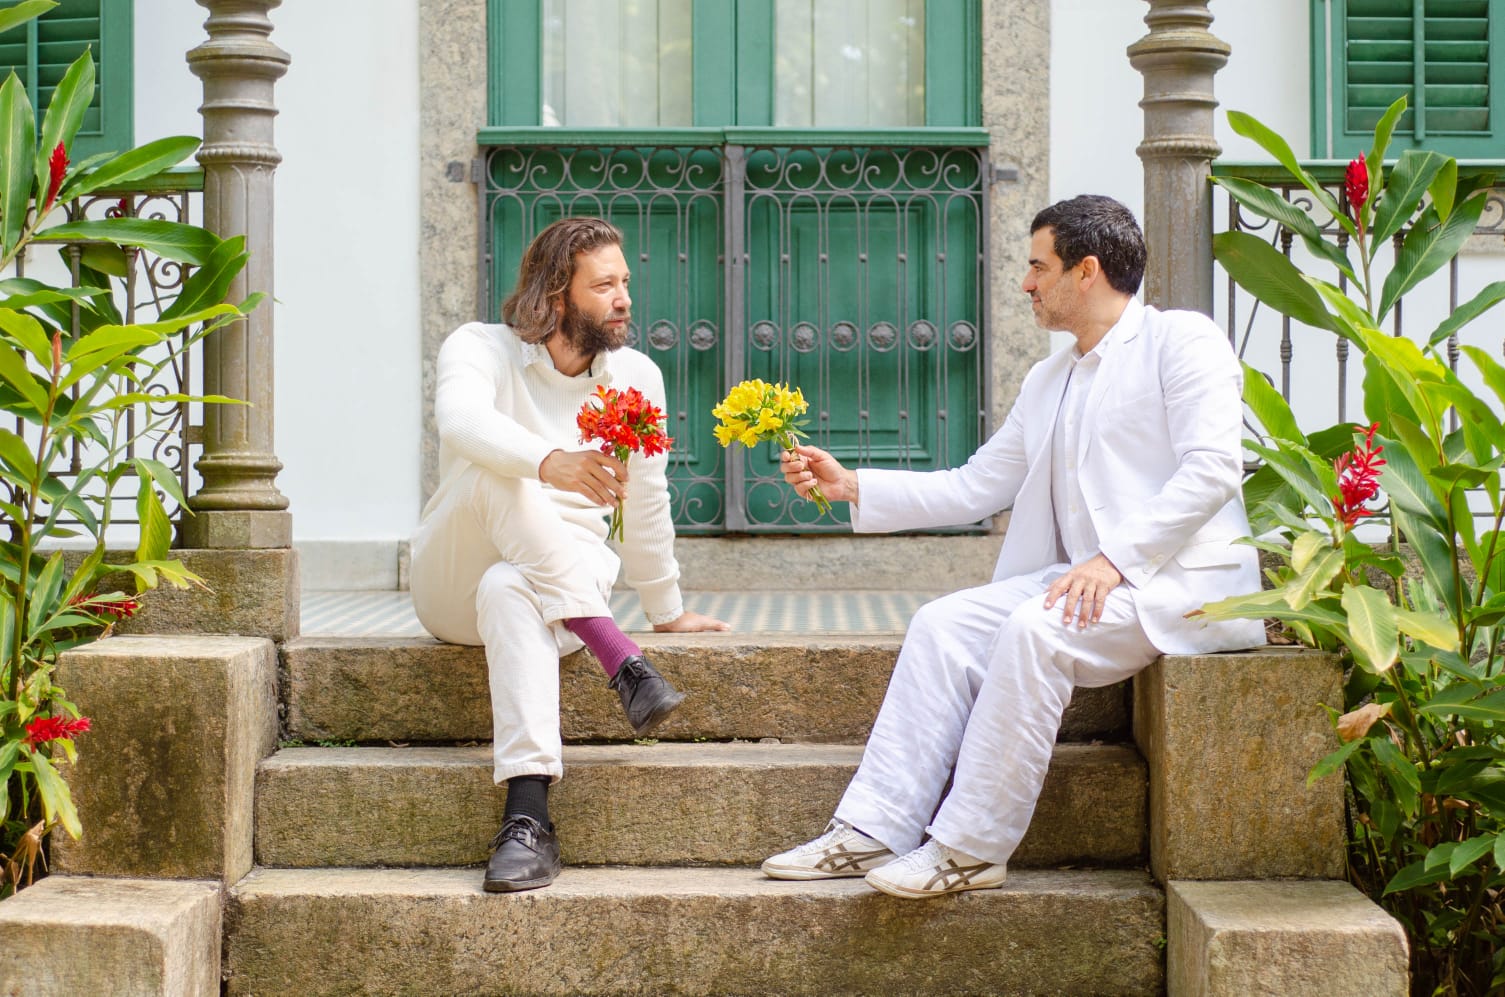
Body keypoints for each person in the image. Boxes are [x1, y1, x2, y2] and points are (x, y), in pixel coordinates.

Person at [762, 195, 1265, 899]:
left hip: (1175, 587)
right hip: (1081, 582)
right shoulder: (1048, 377)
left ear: (1085, 271)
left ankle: (969, 848)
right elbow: (975, 486)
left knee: (1034, 629)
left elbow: (1211, 467)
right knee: (941, 624)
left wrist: (1115, 558)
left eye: (1037, 266)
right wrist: (850, 485)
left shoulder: (1180, 341)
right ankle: (871, 828)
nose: (1025, 283)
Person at [410, 216, 729, 894]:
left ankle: (526, 818)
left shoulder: (636, 376)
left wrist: (666, 607)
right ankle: (617, 655)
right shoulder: (479, 348)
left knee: (508, 586)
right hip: (450, 575)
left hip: (553, 595)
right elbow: (461, 421)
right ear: (557, 295)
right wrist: (549, 462)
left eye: (625, 283)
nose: (625, 299)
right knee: (496, 471)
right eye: (605, 285)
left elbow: (643, 500)